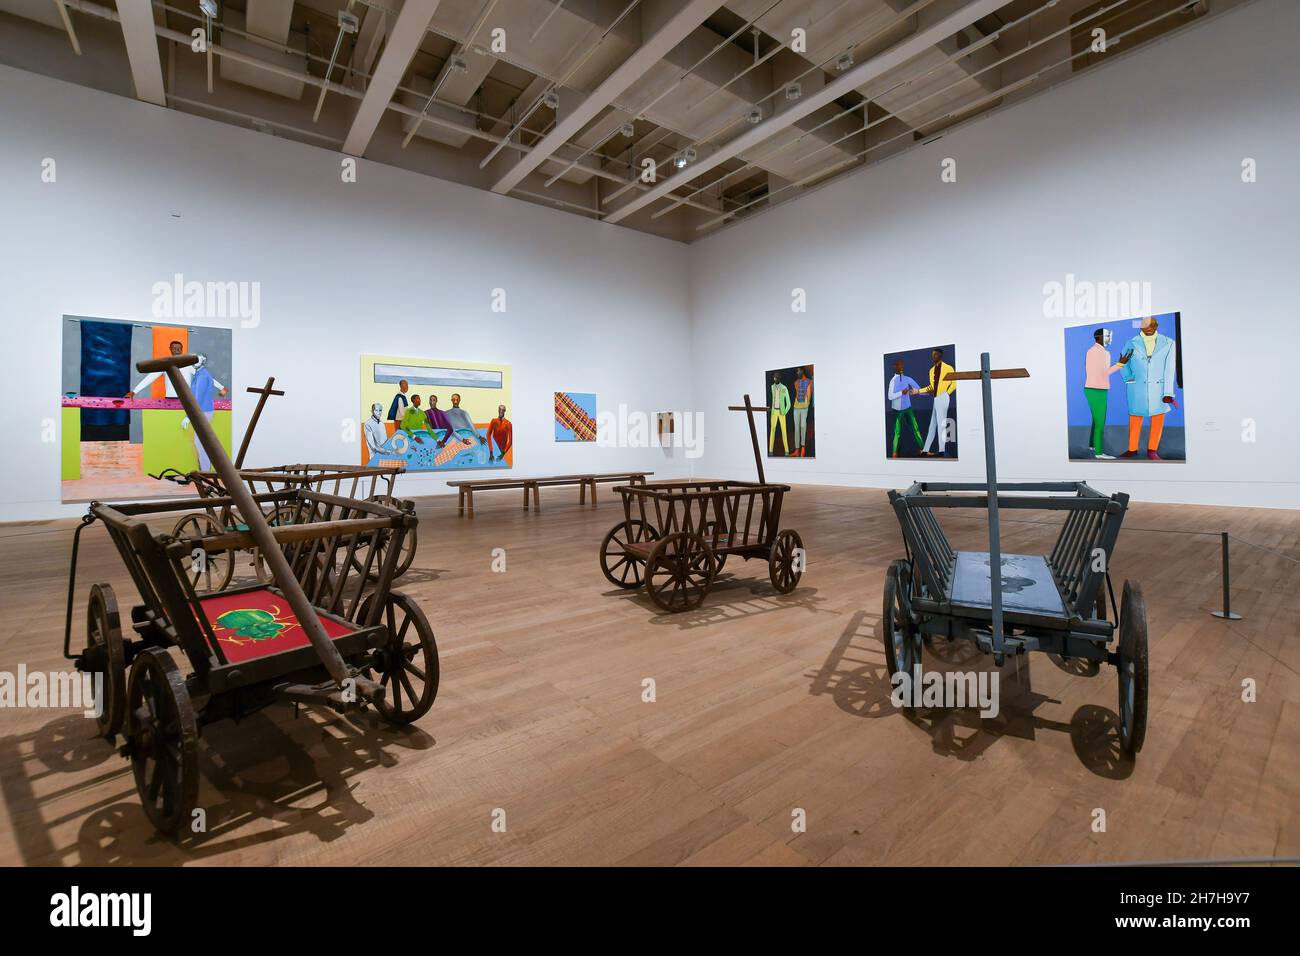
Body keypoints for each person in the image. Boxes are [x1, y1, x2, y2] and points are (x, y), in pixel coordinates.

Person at [1118, 316, 1177, 460]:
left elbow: (1170, 369)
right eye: (1146, 327)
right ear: (1141, 327)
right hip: (1137, 386)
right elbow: (1122, 362)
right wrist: (1128, 378)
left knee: (1158, 418)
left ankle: (1152, 450)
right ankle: (1132, 449)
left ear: (1156, 327)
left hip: (1159, 387)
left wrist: (1168, 392)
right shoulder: (1131, 342)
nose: (1150, 329)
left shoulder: (1168, 343)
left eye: (1153, 326)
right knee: (1135, 418)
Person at [1083, 328, 1131, 459]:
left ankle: (1092, 444)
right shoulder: (1103, 353)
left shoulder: (1091, 351)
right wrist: (1121, 364)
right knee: (1100, 423)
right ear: (1099, 337)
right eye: (1107, 336)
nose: (1110, 338)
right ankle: (1099, 452)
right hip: (1098, 390)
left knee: (1095, 418)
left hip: (1091, 388)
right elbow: (1106, 372)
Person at [182, 354, 226, 470]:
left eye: (198, 359)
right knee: (201, 442)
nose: (195, 361)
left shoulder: (202, 376)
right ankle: (205, 469)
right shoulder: (200, 374)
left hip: (203, 412)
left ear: (203, 362)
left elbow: (198, 398)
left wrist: (188, 417)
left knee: (200, 443)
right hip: (204, 412)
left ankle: (206, 471)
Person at [915, 349, 956, 457]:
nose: (934, 356)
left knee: (941, 424)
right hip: (936, 398)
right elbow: (932, 387)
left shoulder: (948, 368)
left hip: (943, 397)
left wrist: (947, 393)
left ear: (941, 355)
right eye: (933, 354)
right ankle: (926, 449)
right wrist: (918, 391)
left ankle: (942, 450)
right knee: (932, 425)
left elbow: (954, 383)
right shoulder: (931, 370)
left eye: (936, 354)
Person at [887, 359, 924, 458]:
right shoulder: (892, 381)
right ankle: (894, 453)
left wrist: (929, 392)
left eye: (903, 365)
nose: (902, 367)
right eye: (899, 366)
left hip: (908, 408)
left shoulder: (908, 379)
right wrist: (901, 393)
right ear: (895, 367)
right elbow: (890, 397)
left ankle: (923, 449)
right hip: (897, 411)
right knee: (897, 432)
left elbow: (919, 389)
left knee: (916, 428)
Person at [791, 367, 813, 457]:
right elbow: (796, 393)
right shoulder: (796, 382)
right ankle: (797, 450)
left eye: (798, 370)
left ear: (802, 371)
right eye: (797, 371)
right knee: (796, 428)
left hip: (804, 407)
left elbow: (809, 394)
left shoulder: (809, 381)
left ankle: (803, 449)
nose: (797, 372)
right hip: (796, 406)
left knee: (803, 427)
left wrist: (806, 403)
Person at [768, 370, 791, 455]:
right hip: (774, 412)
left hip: (781, 412)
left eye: (776, 377)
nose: (775, 378)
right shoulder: (772, 387)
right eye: (774, 377)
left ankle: (787, 451)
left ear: (779, 378)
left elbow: (788, 403)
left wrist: (784, 411)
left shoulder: (784, 388)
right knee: (772, 430)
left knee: (783, 431)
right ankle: (770, 450)